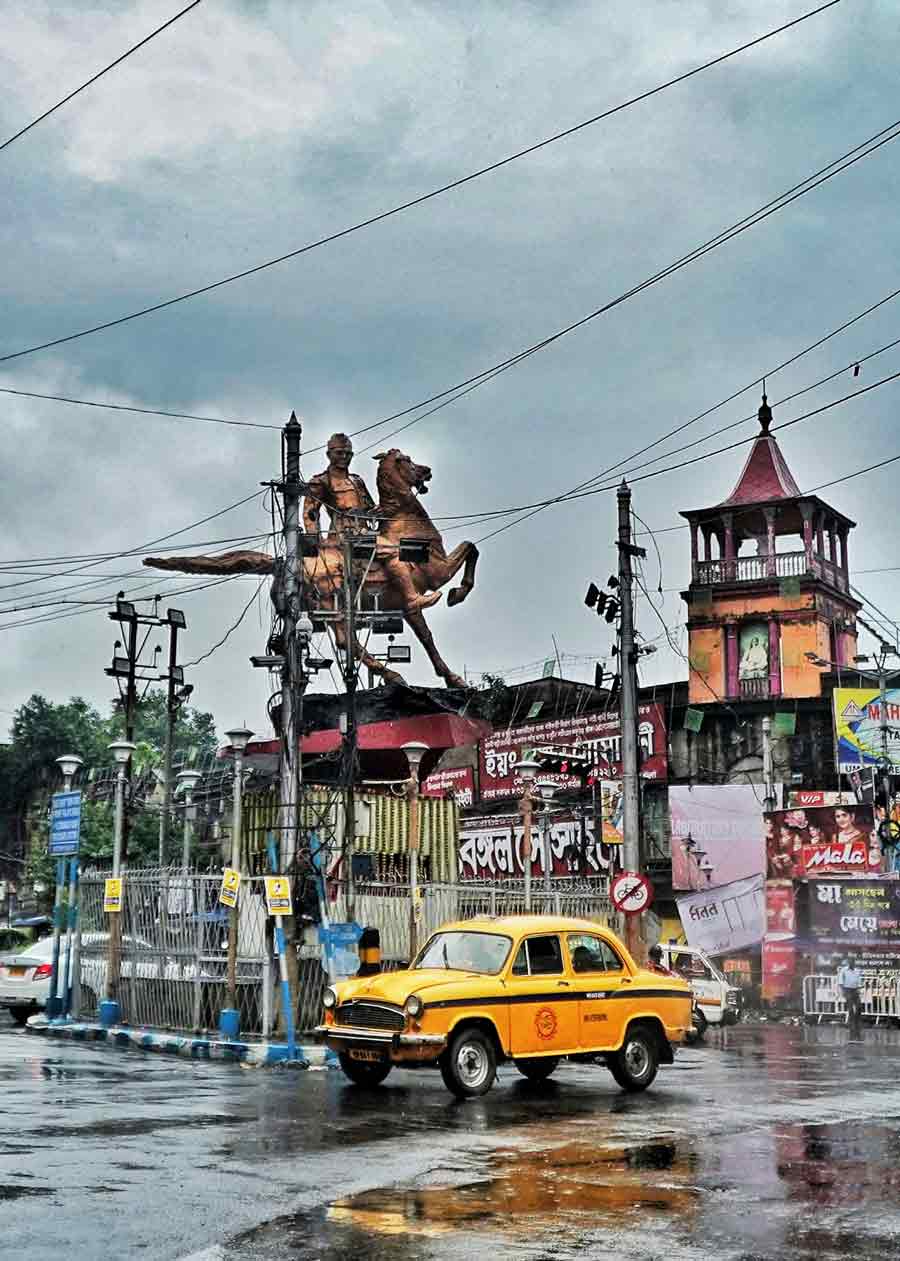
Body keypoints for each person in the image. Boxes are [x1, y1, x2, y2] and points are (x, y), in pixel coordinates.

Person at [302, 433, 440, 614]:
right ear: (329, 454)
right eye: (339, 453)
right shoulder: (321, 481)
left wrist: (376, 511)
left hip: (365, 531)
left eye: (348, 454)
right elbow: (310, 512)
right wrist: (315, 540)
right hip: (343, 535)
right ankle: (412, 598)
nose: (344, 457)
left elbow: (367, 505)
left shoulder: (357, 480)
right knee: (392, 551)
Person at [836, 956, 863, 1040]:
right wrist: (843, 991)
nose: (851, 963)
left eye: (853, 962)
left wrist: (859, 989)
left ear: (854, 963)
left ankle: (856, 1022)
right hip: (847, 990)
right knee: (850, 1008)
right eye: (850, 962)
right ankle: (852, 1025)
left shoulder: (857, 971)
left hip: (855, 990)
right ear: (848, 963)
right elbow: (840, 981)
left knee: (859, 1007)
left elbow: (859, 981)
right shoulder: (843, 970)